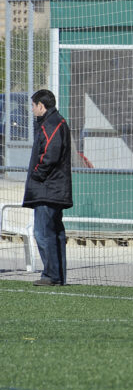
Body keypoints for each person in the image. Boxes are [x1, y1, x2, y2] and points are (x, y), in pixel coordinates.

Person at [24, 89, 72, 286]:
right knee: (54, 233)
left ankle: (51, 275)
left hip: (48, 189)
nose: (32, 109)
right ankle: (57, 276)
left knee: (43, 233)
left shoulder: (51, 124)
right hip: (53, 188)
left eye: (34, 105)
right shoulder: (53, 122)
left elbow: (49, 155)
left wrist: (37, 174)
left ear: (41, 106)